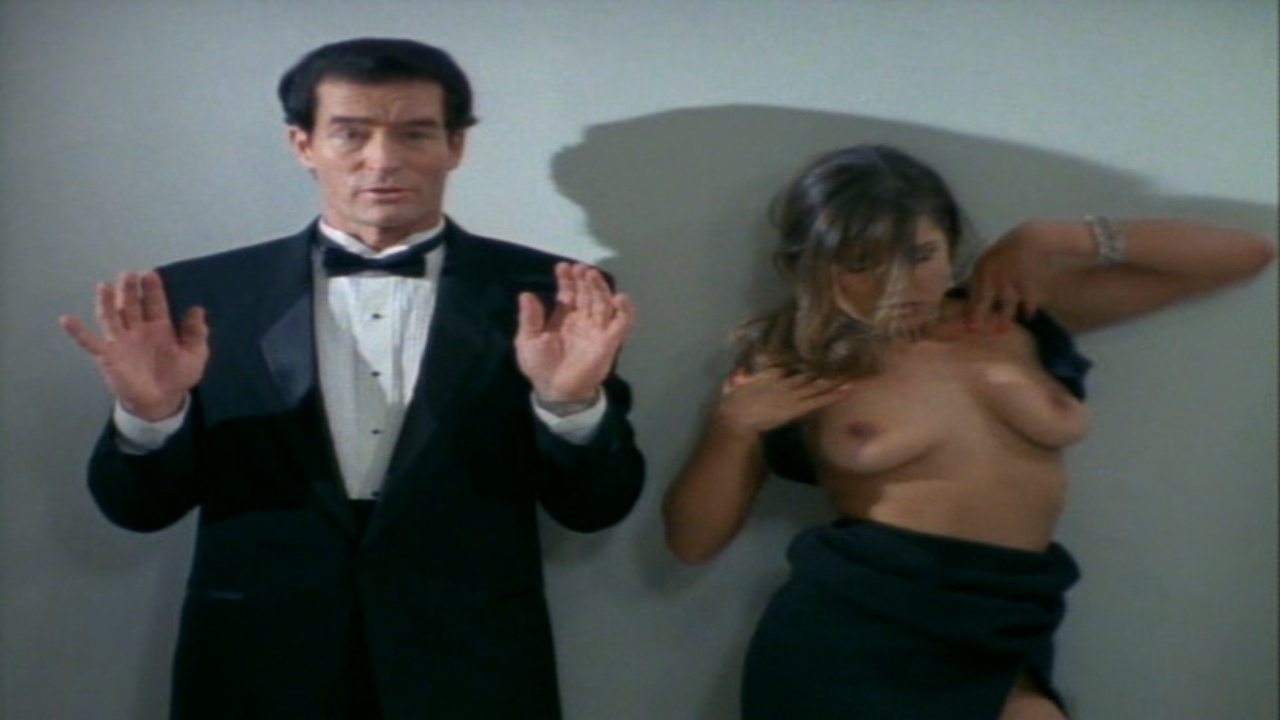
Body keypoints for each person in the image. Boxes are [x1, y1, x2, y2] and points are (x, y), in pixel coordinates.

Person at [59, 38, 645, 720]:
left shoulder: (556, 293)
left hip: (471, 668)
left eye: (414, 133)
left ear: (455, 145)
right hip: (255, 668)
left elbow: (595, 507)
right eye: (351, 134)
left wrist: (568, 402)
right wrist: (152, 416)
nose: (383, 160)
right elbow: (137, 511)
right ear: (302, 144)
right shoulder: (200, 296)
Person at [661, 144, 1273, 719]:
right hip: (854, 633)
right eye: (862, 264)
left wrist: (1050, 236)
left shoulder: (1007, 312)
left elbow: (1245, 254)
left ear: (951, 244)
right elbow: (692, 543)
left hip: (1005, 622)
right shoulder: (799, 356)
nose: (900, 288)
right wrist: (732, 428)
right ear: (811, 267)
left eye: (920, 256)